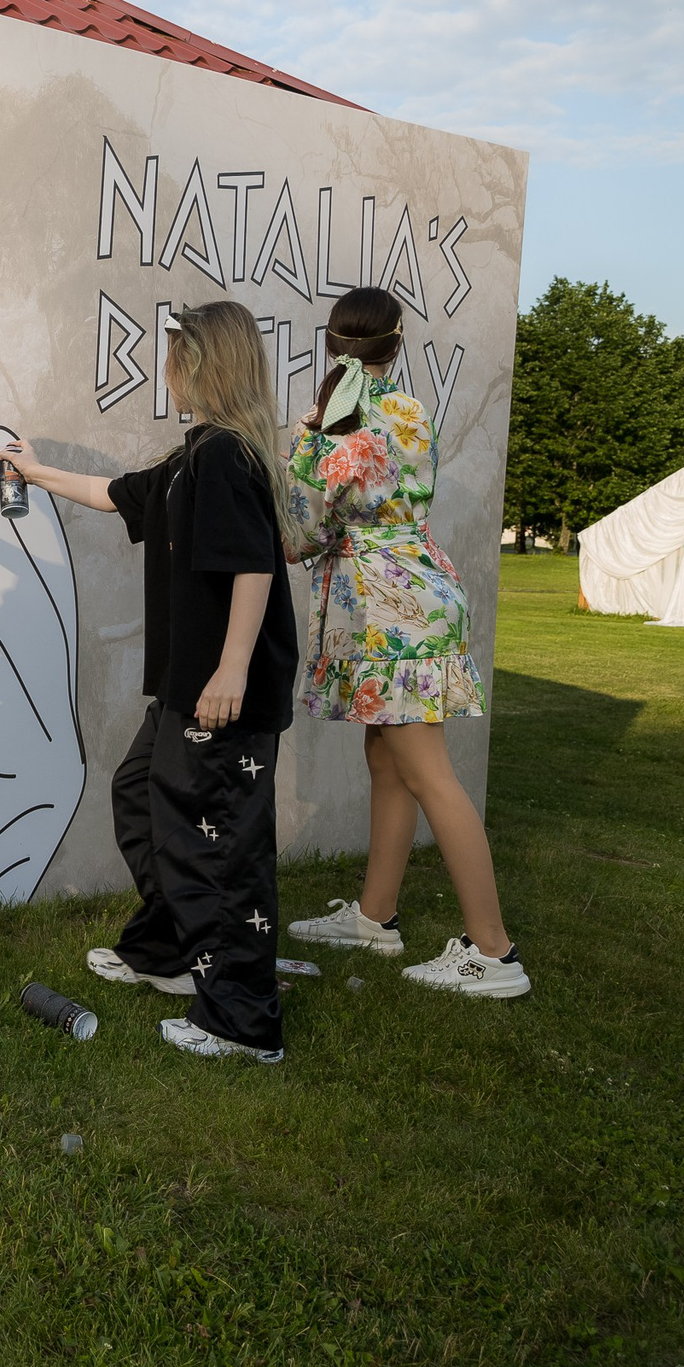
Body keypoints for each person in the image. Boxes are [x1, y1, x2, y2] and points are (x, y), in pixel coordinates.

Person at [4, 299, 300, 1063]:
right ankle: (170, 950)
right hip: (185, 685)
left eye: (174, 356)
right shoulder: (192, 456)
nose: (164, 370)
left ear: (201, 364)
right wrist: (35, 472)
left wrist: (232, 667)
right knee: (141, 793)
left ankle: (241, 1018)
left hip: (220, 690)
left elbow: (254, 565)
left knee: (216, 843)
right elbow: (115, 494)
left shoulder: (227, 457)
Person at [282, 288, 529, 996]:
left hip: (383, 610)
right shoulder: (409, 411)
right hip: (416, 592)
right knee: (388, 760)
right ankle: (374, 916)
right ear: (396, 344)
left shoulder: (331, 425)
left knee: (426, 772)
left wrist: (303, 445)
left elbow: (303, 531)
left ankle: (494, 952)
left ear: (329, 344)